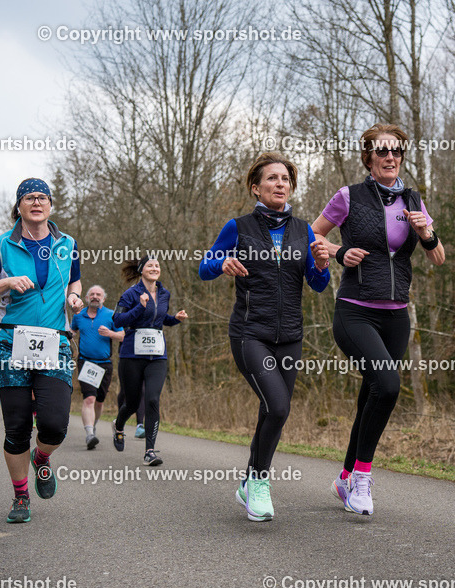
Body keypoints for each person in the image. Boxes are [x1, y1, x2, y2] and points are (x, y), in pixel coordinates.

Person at [311, 124, 446, 516]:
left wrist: (426, 233)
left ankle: (345, 476)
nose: (390, 157)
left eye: (397, 152)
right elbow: (310, 237)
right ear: (368, 157)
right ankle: (363, 480)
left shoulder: (413, 199)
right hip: (354, 309)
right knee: (387, 385)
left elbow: (439, 258)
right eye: (382, 151)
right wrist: (338, 251)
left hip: (396, 317)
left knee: (371, 394)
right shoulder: (348, 196)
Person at [199, 152, 330, 522]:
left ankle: (247, 484)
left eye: (286, 179)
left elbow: (317, 285)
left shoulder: (304, 231)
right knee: (279, 406)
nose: (280, 184)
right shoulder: (237, 227)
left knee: (272, 410)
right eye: (272, 178)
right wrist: (221, 263)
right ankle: (258, 481)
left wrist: (321, 265)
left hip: (290, 336)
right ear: (256, 187)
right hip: (249, 333)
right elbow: (203, 268)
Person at [0, 177, 83, 523]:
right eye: (29, 197)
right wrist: (5, 282)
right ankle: (20, 498)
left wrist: (74, 296)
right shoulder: (1, 245)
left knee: (55, 425)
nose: (36, 202)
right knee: (16, 427)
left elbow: (74, 279)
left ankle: (42, 459)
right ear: (18, 206)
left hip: (55, 342)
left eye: (42, 197)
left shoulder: (68, 244)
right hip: (8, 343)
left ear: (50, 205)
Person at [111, 256, 188, 465]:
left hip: (157, 355)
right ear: (141, 270)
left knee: (153, 399)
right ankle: (118, 426)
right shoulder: (130, 294)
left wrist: (175, 319)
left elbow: (160, 319)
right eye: (150, 265)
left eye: (157, 265)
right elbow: (117, 320)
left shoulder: (164, 294)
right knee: (133, 402)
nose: (155, 268)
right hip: (132, 355)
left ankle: (150, 451)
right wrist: (139, 307)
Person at [71, 285, 124, 449]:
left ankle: (93, 426)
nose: (95, 296)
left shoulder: (111, 315)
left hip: (105, 364)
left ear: (104, 298)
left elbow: (122, 336)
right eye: (91, 294)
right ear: (86, 298)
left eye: (98, 294)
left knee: (99, 402)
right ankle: (89, 435)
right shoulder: (78, 316)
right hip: (86, 362)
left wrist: (110, 333)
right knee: (89, 399)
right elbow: (71, 333)